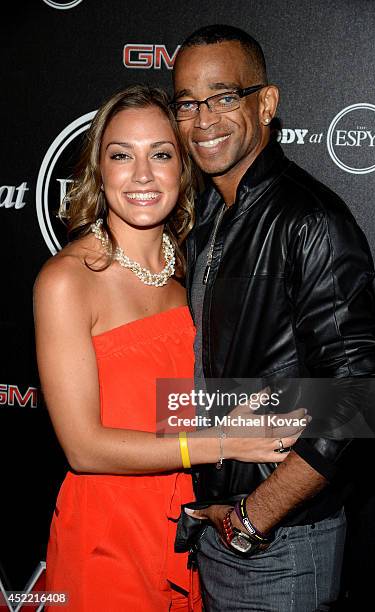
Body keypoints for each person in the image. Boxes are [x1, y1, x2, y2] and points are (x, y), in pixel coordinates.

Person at [33, 84, 301, 612]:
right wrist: (221, 443)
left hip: (188, 532)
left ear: (184, 167)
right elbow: (83, 448)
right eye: (120, 155)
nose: (140, 175)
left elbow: (171, 406)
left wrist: (352, 406)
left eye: (160, 154)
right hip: (107, 535)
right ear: (98, 170)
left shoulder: (191, 278)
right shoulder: (68, 281)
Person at [171, 25, 375, 611]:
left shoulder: (309, 219)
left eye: (223, 96)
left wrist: (254, 516)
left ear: (266, 103)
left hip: (281, 546)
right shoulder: (212, 219)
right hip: (217, 536)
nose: (204, 119)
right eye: (187, 103)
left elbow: (363, 397)